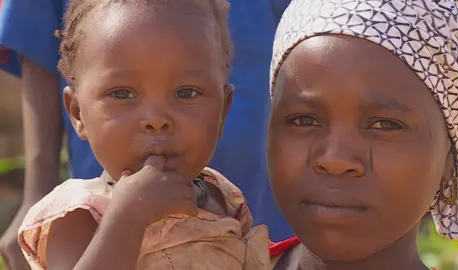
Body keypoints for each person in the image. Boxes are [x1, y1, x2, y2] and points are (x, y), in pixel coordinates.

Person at [0, 0, 293, 268]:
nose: (156, 120)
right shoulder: (80, 216)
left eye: (186, 92)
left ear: (223, 111)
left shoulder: (225, 199)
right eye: (122, 93)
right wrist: (127, 219)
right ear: (77, 113)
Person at [267, 0, 458, 269]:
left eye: (385, 125)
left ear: (451, 156)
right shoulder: (212, 258)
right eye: (304, 119)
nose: (335, 160)